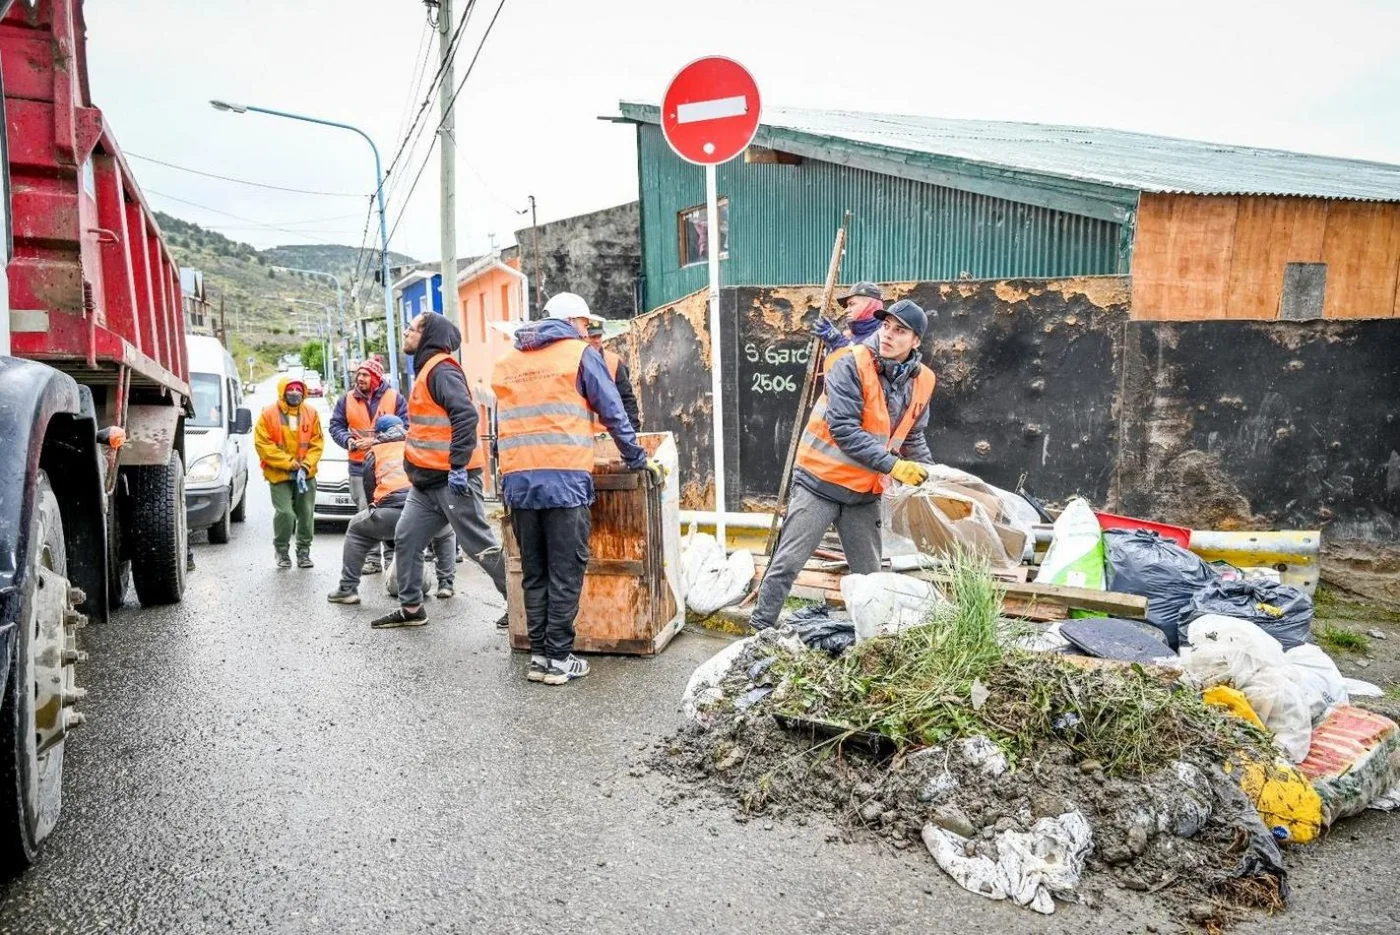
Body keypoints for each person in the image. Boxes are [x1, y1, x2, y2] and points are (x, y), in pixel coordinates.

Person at [491, 292, 656, 686]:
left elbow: (502, 429)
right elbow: (612, 410)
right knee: (565, 570)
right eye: (584, 323)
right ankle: (560, 658)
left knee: (535, 572)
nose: (587, 330)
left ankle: (540, 658)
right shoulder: (577, 353)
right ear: (571, 321)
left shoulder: (508, 361)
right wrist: (635, 457)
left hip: (518, 482)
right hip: (564, 479)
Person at [751, 299, 937, 630]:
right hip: (819, 484)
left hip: (864, 495)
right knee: (788, 563)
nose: (888, 335)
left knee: (871, 578)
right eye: (885, 326)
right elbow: (844, 431)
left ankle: (874, 643)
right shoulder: (848, 363)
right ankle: (759, 630)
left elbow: (913, 437)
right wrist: (894, 467)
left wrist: (932, 479)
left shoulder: (923, 381)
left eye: (900, 330)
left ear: (916, 341)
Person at [370, 313, 507, 630]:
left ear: (429, 334)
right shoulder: (426, 370)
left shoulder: (442, 369)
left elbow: (465, 415)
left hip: (452, 480)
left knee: (479, 546)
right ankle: (412, 607)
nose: (406, 331)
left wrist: (458, 465)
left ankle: (523, 607)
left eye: (413, 327)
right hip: (425, 481)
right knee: (406, 538)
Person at [326, 415, 456, 605]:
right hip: (425, 510)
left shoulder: (375, 451)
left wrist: (378, 519)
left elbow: (370, 490)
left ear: (379, 433)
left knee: (356, 528)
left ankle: (347, 588)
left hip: (391, 510)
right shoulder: (419, 446)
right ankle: (446, 585)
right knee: (445, 533)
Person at [329, 358, 409, 575]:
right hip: (358, 466)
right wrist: (348, 441)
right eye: (359, 374)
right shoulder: (346, 400)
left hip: (389, 467)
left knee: (389, 510)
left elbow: (406, 428)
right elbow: (335, 425)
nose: (360, 378)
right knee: (367, 513)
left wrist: (374, 443)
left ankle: (393, 558)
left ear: (376, 378)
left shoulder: (395, 398)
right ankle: (372, 559)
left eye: (365, 375)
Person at [253, 375, 325, 569]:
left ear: (304, 392)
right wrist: (289, 463)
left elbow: (317, 442)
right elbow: (262, 444)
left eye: (298, 390)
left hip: (306, 474)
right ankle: (281, 550)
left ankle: (303, 552)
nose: (295, 393)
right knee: (285, 513)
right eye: (291, 389)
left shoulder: (311, 412)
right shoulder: (268, 414)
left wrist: (306, 465)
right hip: (279, 474)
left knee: (306, 514)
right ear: (283, 391)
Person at [585, 321, 641, 431]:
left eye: (599, 336)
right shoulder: (575, 361)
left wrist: (634, 431)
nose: (597, 341)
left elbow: (627, 399)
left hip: (610, 434)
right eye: (592, 337)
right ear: (584, 337)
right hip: (583, 436)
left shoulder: (614, 362)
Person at [813, 281, 884, 354]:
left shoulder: (883, 336)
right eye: (847, 306)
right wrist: (823, 353)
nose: (847, 310)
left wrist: (838, 342)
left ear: (871, 306)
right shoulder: (853, 335)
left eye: (852, 304)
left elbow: (863, 360)